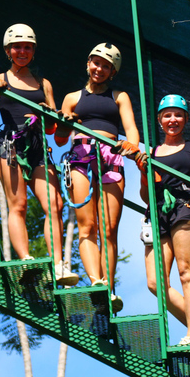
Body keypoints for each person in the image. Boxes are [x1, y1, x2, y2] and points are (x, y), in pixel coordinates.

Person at [0, 23, 78, 286]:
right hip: (11, 147)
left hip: (38, 146)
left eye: (27, 47)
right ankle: (26, 259)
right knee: (18, 205)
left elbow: (51, 128)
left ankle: (58, 265)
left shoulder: (43, 84)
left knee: (55, 205)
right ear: (8, 51)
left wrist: (51, 115)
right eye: (17, 47)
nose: (22, 51)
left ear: (34, 51)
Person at [56, 43, 142, 312]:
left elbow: (132, 132)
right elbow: (59, 138)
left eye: (107, 66)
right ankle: (97, 281)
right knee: (87, 226)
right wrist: (65, 122)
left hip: (111, 156)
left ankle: (108, 287)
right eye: (96, 62)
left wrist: (131, 145)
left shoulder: (119, 97)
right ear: (88, 63)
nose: (100, 69)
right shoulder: (72, 98)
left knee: (109, 228)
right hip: (81, 155)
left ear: (112, 72)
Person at [140, 95, 190, 345]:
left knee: (186, 272)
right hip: (157, 212)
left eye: (177, 115)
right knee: (155, 283)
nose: (172, 120)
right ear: (159, 120)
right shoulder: (151, 152)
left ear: (185, 119)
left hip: (185, 207)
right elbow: (146, 195)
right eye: (167, 115)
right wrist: (144, 173)